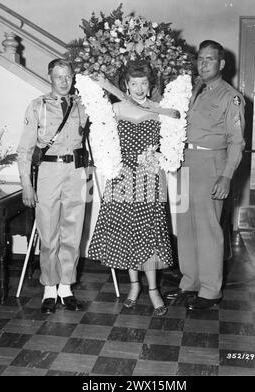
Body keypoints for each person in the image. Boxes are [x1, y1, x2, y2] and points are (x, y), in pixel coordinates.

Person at [88, 60, 173, 316]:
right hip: (122, 177)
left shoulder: (160, 109)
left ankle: (153, 290)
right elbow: (99, 139)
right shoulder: (114, 109)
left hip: (149, 177)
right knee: (127, 232)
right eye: (133, 83)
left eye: (143, 83)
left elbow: (171, 142)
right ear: (126, 85)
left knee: (148, 233)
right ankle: (134, 287)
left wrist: (158, 156)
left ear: (150, 85)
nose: (138, 88)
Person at [164, 40, 245, 310]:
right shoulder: (192, 89)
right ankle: (190, 283)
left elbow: (237, 142)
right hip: (186, 161)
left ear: (221, 64)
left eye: (210, 59)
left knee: (209, 229)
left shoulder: (230, 96)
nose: (204, 64)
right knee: (186, 228)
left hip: (212, 163)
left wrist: (226, 176)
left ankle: (211, 291)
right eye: (200, 59)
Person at [17, 58, 88, 314]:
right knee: (48, 233)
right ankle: (49, 288)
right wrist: (27, 184)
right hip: (48, 172)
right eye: (58, 76)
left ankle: (66, 287)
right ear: (50, 77)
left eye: (68, 76)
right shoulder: (37, 106)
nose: (64, 81)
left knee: (73, 231)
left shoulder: (83, 106)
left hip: (76, 172)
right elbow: (24, 150)